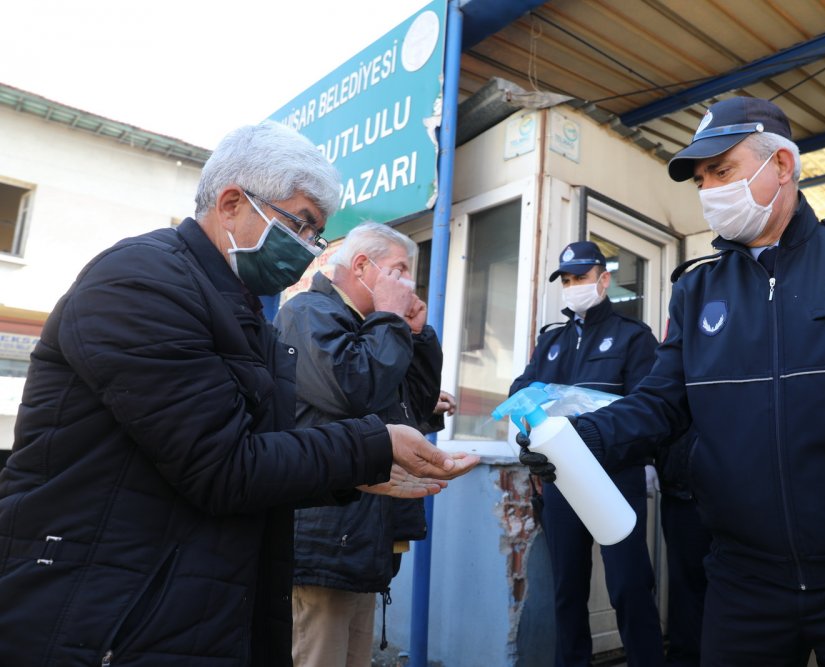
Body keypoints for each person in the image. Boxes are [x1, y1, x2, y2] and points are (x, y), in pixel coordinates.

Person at [521, 97, 825, 666]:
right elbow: (662, 401)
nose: (709, 190)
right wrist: (587, 437)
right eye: (701, 180)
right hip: (745, 578)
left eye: (721, 170)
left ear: (782, 165)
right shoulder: (698, 290)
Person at [0, 121, 477, 667]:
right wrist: (371, 446)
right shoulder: (141, 282)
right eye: (300, 224)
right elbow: (222, 466)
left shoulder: (240, 310)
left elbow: (263, 454)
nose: (308, 248)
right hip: (104, 614)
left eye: (316, 234)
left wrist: (357, 472)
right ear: (231, 203)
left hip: (183, 603)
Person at [273, 222, 444, 667]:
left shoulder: (376, 327)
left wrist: (418, 335)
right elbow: (353, 391)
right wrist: (391, 319)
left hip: (365, 537)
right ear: (363, 266)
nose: (407, 286)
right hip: (325, 535)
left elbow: (413, 407)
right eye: (399, 271)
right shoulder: (308, 312)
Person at [510, 241, 664, 667]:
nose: (574, 285)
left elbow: (648, 407)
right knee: (568, 588)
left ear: (603, 279)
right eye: (567, 279)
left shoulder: (634, 336)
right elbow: (521, 389)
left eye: (581, 276)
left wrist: (643, 458)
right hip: (562, 477)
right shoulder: (552, 341)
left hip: (616, 474)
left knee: (630, 584)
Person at [654, 428, 711, 667]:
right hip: (680, 488)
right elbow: (654, 414)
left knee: (735, 583)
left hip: (734, 493)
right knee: (685, 585)